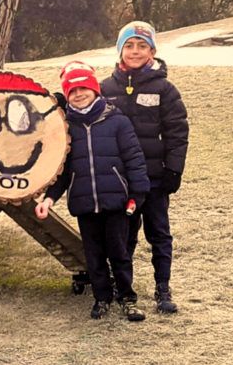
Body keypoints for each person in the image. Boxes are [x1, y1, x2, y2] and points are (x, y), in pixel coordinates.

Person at [36, 61, 149, 321]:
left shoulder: (117, 121)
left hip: (117, 202)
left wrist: (137, 195)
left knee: (119, 253)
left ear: (95, 89)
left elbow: (134, 159)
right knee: (94, 255)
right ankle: (102, 297)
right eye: (72, 91)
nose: (78, 94)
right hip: (84, 203)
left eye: (83, 88)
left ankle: (127, 298)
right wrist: (49, 198)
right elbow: (61, 170)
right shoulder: (65, 128)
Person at [100, 21, 189, 314]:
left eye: (142, 45)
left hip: (154, 180)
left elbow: (177, 131)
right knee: (124, 236)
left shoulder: (164, 88)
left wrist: (173, 170)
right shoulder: (105, 88)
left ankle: (163, 288)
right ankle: (123, 288)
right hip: (121, 181)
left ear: (152, 50)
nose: (135, 51)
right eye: (129, 45)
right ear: (120, 50)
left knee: (159, 234)